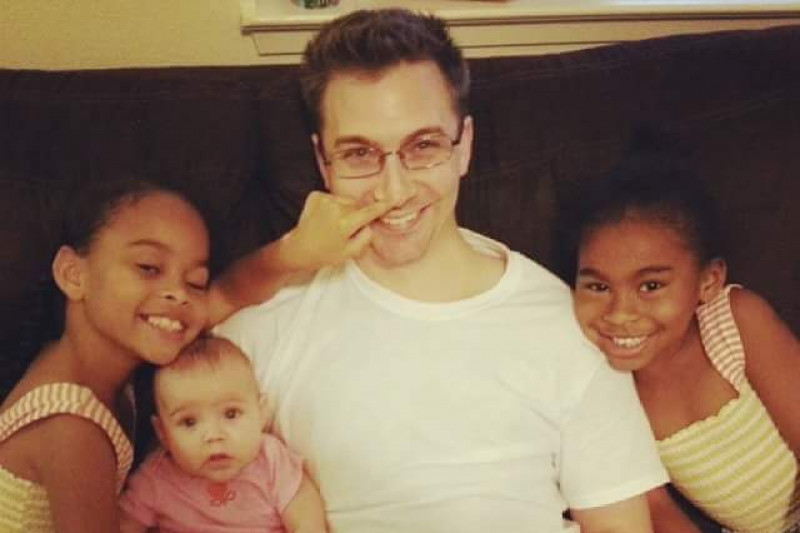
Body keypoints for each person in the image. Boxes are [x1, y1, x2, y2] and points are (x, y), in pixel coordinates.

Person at [216, 8, 668, 532]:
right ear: (323, 162)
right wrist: (285, 256)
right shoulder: (270, 323)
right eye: (359, 153)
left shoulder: (566, 323)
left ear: (464, 145)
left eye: (423, 146)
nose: (394, 190)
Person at [0, 178, 387, 533]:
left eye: (195, 282)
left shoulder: (112, 355)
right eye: (148, 268)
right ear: (73, 274)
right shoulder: (72, 428)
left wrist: (295, 251)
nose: (178, 294)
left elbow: (230, 292)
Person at [567, 148, 800, 532]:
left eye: (651, 286)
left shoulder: (735, 322)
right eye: (598, 286)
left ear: (708, 282)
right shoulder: (607, 388)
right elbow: (655, 507)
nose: (620, 314)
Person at [119, 335, 328, 533]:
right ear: (163, 433)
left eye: (231, 414)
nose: (213, 435)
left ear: (261, 413)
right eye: (189, 422)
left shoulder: (271, 460)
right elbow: (122, 525)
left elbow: (305, 517)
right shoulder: (155, 479)